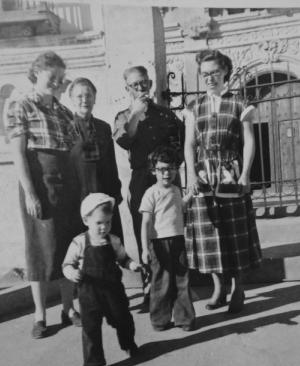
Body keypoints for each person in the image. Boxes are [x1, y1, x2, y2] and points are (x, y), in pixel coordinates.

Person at [5, 51, 81, 339]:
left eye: (61, 79)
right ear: (36, 74)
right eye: (53, 78)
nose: (57, 83)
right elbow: (19, 154)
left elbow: (73, 153)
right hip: (39, 185)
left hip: (67, 187)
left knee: (67, 247)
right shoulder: (20, 105)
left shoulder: (63, 112)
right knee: (39, 251)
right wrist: (30, 193)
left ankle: (68, 308)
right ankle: (40, 315)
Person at [184, 49, 262, 313]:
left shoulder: (240, 103)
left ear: (225, 71)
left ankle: (238, 289)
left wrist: (245, 174)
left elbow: (249, 141)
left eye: (214, 72)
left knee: (235, 233)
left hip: (231, 174)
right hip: (204, 175)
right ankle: (218, 289)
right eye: (204, 74)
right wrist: (192, 176)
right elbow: (189, 144)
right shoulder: (194, 107)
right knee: (211, 235)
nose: (209, 78)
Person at [113, 65, 184, 304]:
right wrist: (134, 114)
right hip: (142, 177)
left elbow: (180, 145)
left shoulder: (166, 114)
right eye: (135, 85)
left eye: (144, 83)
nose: (141, 88)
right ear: (127, 89)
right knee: (143, 227)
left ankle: (173, 283)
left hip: (165, 177)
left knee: (171, 226)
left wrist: (170, 169)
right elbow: (123, 140)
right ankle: (150, 285)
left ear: (151, 84)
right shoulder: (123, 116)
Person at [63, 193, 141, 366]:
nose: (104, 227)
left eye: (108, 222)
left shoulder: (113, 240)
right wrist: (72, 273)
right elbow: (67, 264)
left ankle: (128, 344)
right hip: (89, 294)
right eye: (99, 222)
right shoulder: (79, 242)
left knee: (123, 318)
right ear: (85, 220)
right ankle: (92, 365)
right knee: (90, 328)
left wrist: (132, 265)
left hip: (113, 290)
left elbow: (123, 258)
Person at [140, 146, 195, 331]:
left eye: (171, 168)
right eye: (162, 169)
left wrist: (189, 196)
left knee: (182, 280)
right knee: (161, 282)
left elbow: (180, 207)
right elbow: (145, 223)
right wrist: (144, 248)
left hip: (178, 241)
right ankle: (160, 320)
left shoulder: (176, 190)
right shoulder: (151, 193)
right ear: (153, 170)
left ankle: (184, 319)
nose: (167, 173)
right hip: (159, 244)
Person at [68, 77, 123, 241]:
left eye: (89, 95)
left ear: (95, 98)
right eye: (79, 96)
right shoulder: (66, 128)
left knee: (110, 241)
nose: (85, 100)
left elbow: (111, 164)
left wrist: (115, 193)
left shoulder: (103, 128)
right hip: (78, 195)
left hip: (103, 192)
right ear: (71, 99)